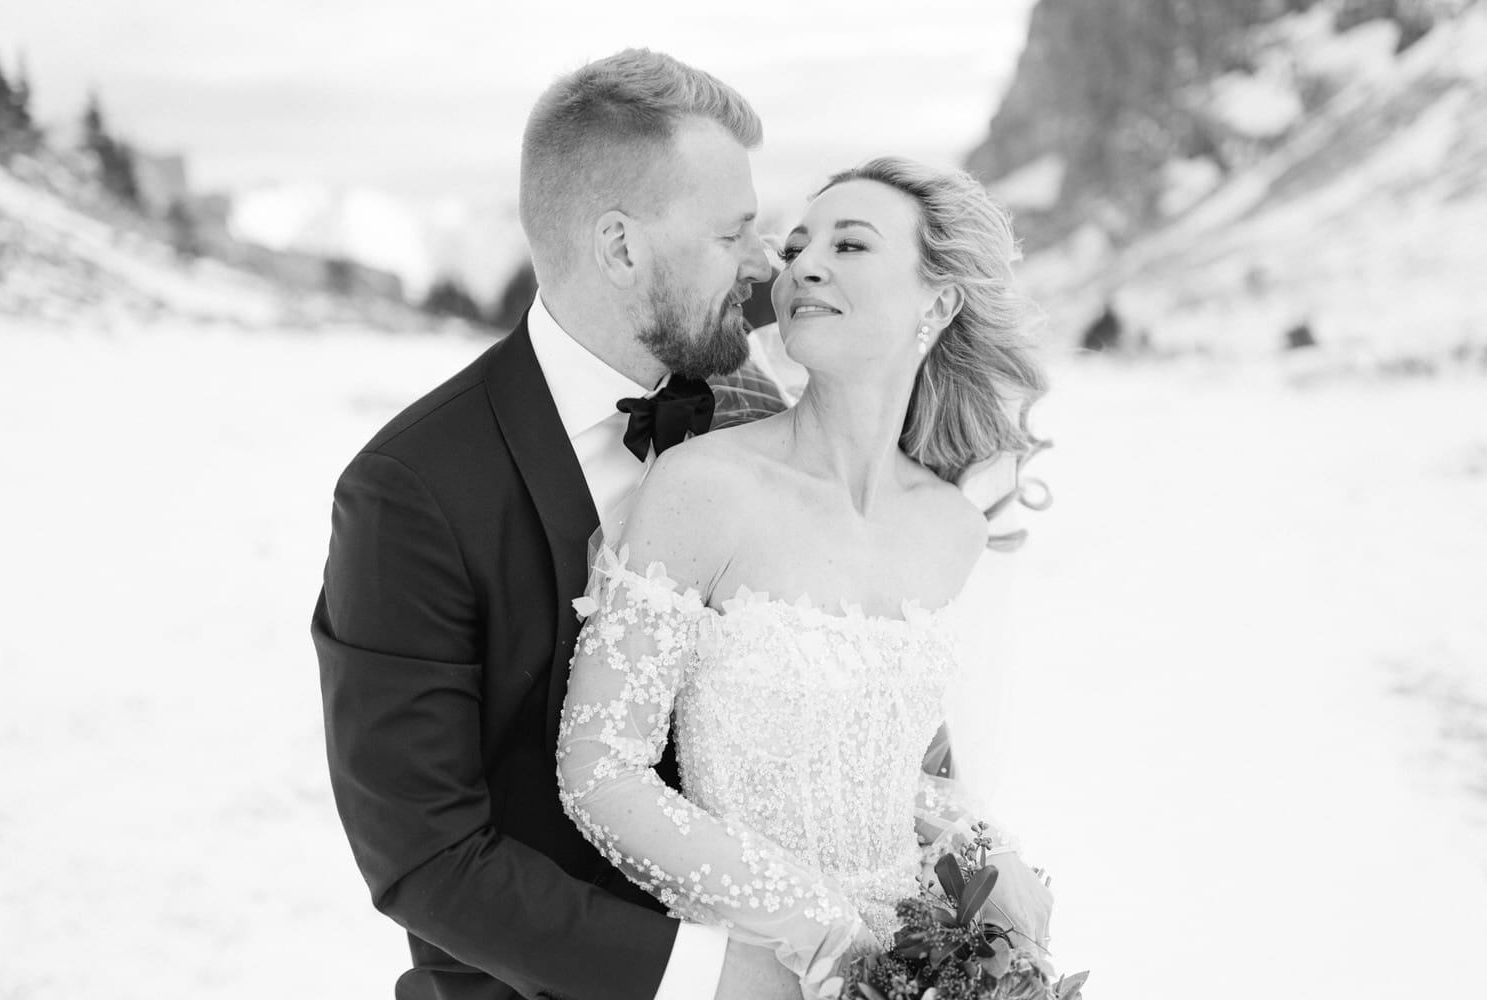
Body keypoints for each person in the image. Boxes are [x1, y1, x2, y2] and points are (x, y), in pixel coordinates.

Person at [313, 49, 799, 1000]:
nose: (762, 262)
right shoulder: (408, 492)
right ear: (620, 247)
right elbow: (425, 857)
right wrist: (710, 977)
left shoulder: (750, 410)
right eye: (733, 232)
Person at [555, 157, 1054, 998]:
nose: (803, 265)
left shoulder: (954, 529)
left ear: (938, 303)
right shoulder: (700, 488)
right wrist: (816, 929)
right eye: (795, 247)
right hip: (752, 968)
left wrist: (988, 862)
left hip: (915, 965)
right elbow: (600, 770)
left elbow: (906, 768)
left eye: (850, 244)